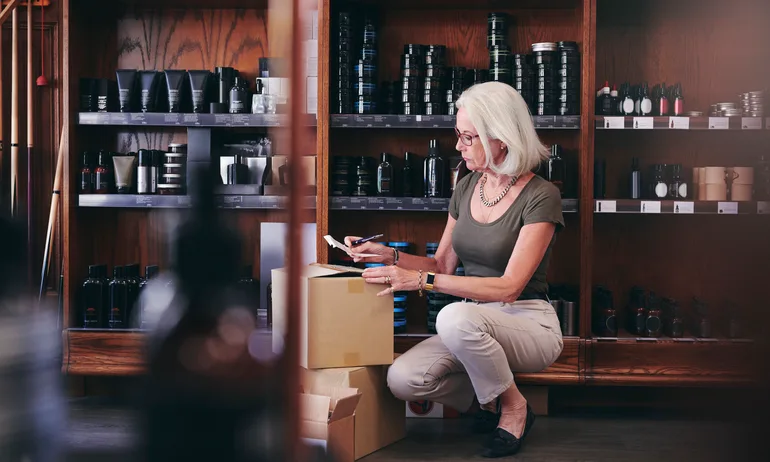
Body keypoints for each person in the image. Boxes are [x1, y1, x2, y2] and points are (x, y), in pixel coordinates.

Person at [345, 81, 564, 458]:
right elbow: (440, 264)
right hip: (470, 321)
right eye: (457, 135)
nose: (458, 146)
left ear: (501, 139)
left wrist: (421, 281)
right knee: (403, 379)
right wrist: (387, 256)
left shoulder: (541, 194)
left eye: (467, 137)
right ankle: (490, 400)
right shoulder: (466, 187)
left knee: (453, 317)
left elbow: (510, 287)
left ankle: (514, 408)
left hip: (528, 320)